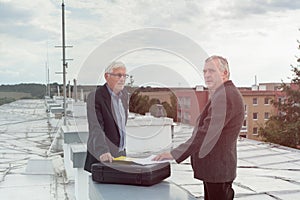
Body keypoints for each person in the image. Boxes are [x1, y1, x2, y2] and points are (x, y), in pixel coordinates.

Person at [153, 55, 244, 200]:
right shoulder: (223, 93)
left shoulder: (224, 96)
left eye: (212, 71)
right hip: (216, 171)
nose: (207, 75)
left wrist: (175, 153)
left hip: (217, 171)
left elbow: (206, 133)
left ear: (224, 73)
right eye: (205, 71)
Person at [84, 61, 129, 172]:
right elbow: (96, 127)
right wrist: (103, 151)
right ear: (107, 76)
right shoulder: (95, 97)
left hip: (120, 155)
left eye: (124, 75)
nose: (122, 79)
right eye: (118, 75)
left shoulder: (124, 96)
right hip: (102, 156)